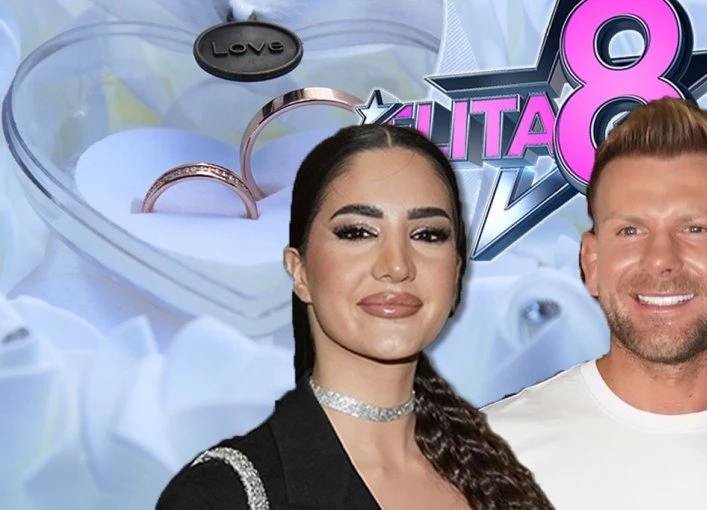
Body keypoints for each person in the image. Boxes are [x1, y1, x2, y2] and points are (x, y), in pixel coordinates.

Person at [157, 124, 553, 509]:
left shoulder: (496, 475)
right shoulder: (220, 496)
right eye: (357, 232)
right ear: (300, 272)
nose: (396, 266)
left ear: (456, 272)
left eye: (427, 235)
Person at [484, 97, 707, 509]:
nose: (661, 260)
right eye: (631, 231)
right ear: (592, 264)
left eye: (695, 228)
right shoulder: (490, 459)